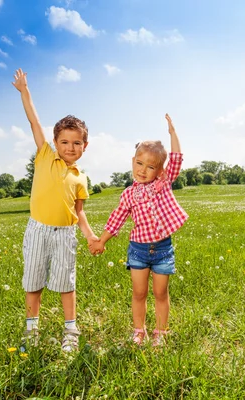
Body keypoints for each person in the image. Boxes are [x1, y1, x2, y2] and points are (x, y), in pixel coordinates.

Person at [12, 68, 98, 352]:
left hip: (65, 234)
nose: (70, 147)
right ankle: (31, 329)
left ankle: (70, 331)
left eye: (76, 143)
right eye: (64, 141)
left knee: (65, 282)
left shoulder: (80, 177)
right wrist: (25, 92)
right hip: (37, 229)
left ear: (85, 145)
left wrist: (90, 236)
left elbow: (80, 212)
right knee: (33, 279)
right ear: (55, 142)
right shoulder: (45, 155)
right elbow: (34, 121)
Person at [90, 114, 188, 346]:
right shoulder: (128, 194)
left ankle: (161, 332)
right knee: (139, 293)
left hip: (163, 249)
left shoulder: (163, 184)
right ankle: (139, 331)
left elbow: (176, 159)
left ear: (160, 170)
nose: (143, 170)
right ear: (132, 160)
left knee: (161, 293)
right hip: (138, 250)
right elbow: (117, 219)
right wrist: (101, 241)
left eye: (151, 166)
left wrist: (172, 133)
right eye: (139, 163)